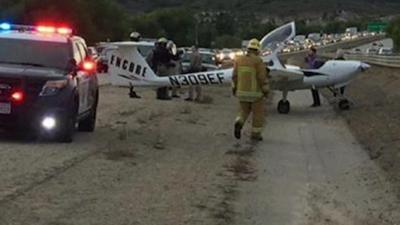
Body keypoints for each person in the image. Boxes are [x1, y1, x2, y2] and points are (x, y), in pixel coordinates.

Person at [232, 39, 269, 141]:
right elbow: (262, 78)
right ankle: (255, 134)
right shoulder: (258, 61)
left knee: (243, 112)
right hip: (255, 94)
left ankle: (239, 122)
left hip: (242, 92)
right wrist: (266, 91)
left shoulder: (239, 60)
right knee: (258, 114)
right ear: (257, 50)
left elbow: (234, 76)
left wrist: (234, 88)